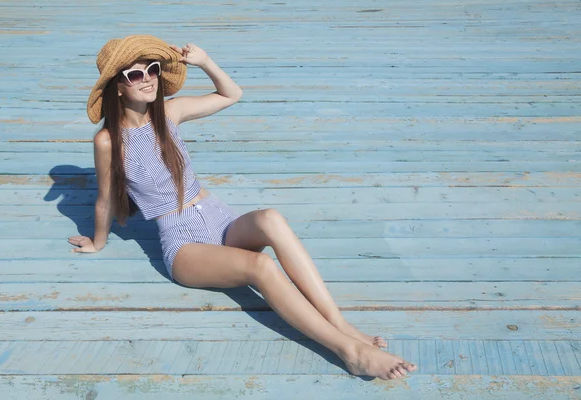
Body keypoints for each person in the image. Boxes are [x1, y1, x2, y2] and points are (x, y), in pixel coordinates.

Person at [68, 35, 416, 380]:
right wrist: (98, 241)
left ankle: (340, 324)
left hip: (220, 218)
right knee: (260, 266)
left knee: (271, 218)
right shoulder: (108, 140)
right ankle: (351, 353)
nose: (147, 79)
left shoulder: (171, 112)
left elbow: (231, 94)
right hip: (184, 244)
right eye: (135, 74)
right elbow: (106, 198)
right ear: (116, 86)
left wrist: (204, 62)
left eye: (153, 70)